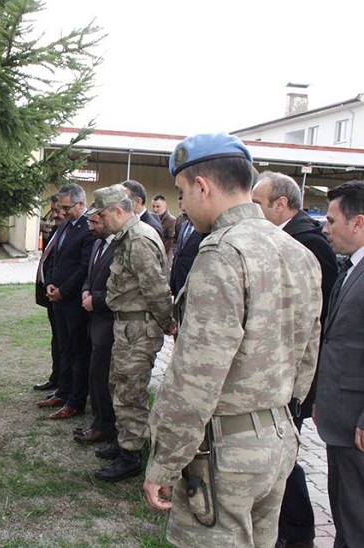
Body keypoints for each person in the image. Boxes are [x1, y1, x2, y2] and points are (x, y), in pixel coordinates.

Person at [144, 133, 321, 546]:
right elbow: (308, 353)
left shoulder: (222, 254)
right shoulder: (298, 252)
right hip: (278, 440)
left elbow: (194, 379)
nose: (182, 205)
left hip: (225, 454)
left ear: (202, 185)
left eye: (183, 192)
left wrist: (164, 462)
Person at [252, 170, 339, 547]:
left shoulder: (305, 242)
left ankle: (297, 532)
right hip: (282, 370)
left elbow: (313, 315)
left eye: (257, 204)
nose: (251, 211)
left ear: (281, 204)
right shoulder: (283, 236)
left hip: (294, 373)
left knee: (286, 460)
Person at [89, 183, 173, 482]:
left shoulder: (138, 240)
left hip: (139, 329)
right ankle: (125, 441)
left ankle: (131, 456)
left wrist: (167, 323)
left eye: (101, 215)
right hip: (127, 326)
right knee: (120, 385)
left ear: (118, 210)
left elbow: (157, 288)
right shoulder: (126, 238)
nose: (99, 221)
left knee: (130, 392)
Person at [314, 180, 364, 548]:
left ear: (358, 222)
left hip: (357, 424)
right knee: (346, 510)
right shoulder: (351, 268)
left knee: (356, 515)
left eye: (331, 221)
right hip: (340, 414)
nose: (325, 228)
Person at [37, 183, 94, 420]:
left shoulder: (88, 228)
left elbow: (84, 268)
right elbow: (54, 259)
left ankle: (75, 401)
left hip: (73, 302)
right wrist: (50, 283)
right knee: (64, 348)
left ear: (81, 204)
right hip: (57, 298)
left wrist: (63, 290)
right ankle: (62, 390)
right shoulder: (65, 227)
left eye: (67, 207)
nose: (63, 211)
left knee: (78, 352)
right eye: (61, 207)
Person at [73, 211, 116, 444]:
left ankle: (105, 426)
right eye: (89, 222)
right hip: (94, 319)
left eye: (95, 222)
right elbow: (90, 276)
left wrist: (95, 300)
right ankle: (98, 422)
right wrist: (85, 290)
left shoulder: (119, 247)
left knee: (101, 375)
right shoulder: (99, 243)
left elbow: (122, 289)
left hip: (108, 321)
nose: (90, 227)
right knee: (94, 372)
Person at [33, 194, 65, 393]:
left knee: (65, 343)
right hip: (51, 295)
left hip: (64, 296)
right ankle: (56, 378)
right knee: (56, 340)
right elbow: (50, 261)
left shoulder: (77, 231)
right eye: (52, 210)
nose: (54, 215)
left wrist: (60, 288)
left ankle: (64, 384)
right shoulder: (56, 229)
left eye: (57, 210)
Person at [151, 194, 176, 263]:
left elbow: (171, 241)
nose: (155, 209)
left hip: (165, 257)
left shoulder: (171, 221)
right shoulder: (152, 219)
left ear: (165, 206)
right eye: (153, 206)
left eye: (158, 207)